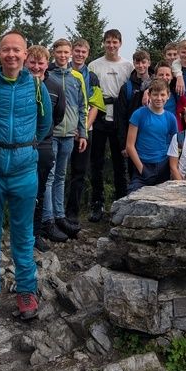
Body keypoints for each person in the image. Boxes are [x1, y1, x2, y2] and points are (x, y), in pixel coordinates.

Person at [0, 31, 52, 324]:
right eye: (6, 50)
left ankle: (26, 291)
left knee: (23, 234)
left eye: (17, 50)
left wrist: (21, 150)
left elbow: (44, 126)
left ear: (26, 54)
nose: (12, 55)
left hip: (24, 171)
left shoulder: (38, 88)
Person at [41, 39, 88, 242]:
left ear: (70, 54)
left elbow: (81, 106)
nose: (62, 55)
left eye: (65, 52)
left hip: (69, 134)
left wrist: (83, 132)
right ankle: (47, 219)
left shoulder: (76, 78)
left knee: (61, 177)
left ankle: (60, 217)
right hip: (51, 134)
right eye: (59, 52)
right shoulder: (46, 76)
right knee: (49, 178)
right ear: (53, 53)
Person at [87, 29, 134, 221]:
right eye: (108, 42)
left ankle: (121, 202)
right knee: (96, 162)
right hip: (99, 114)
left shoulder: (127, 66)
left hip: (119, 116)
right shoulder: (94, 65)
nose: (111, 46)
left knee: (119, 162)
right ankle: (97, 203)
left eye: (115, 42)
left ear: (120, 44)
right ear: (103, 43)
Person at [24, 45, 64, 247]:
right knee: (19, 192)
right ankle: (18, 233)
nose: (36, 67)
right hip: (19, 146)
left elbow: (58, 116)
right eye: (32, 62)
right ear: (25, 62)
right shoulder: (18, 83)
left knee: (39, 192)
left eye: (40, 63)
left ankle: (35, 234)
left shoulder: (56, 86)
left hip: (44, 145)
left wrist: (43, 134)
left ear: (47, 64)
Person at [64, 38, 104, 224]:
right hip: (61, 131)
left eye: (83, 52)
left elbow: (95, 106)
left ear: (88, 54)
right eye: (77, 51)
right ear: (72, 51)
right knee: (56, 173)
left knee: (79, 172)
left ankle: (72, 214)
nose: (80, 54)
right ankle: (54, 213)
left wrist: (83, 130)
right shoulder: (61, 71)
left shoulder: (92, 77)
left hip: (84, 132)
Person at [125, 79, 178, 192]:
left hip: (163, 166)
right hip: (143, 166)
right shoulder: (139, 114)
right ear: (149, 95)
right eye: (155, 94)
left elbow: (176, 146)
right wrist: (141, 169)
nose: (159, 98)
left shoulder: (171, 118)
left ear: (168, 96)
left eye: (162, 95)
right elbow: (129, 146)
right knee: (133, 198)